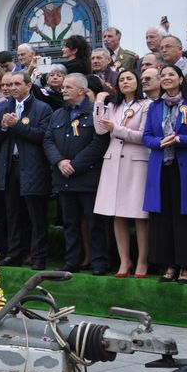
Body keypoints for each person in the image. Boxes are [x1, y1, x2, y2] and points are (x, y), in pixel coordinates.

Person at [142, 64, 187, 284]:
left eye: (172, 75)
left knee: (184, 218)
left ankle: (186, 266)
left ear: (181, 79)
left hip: (186, 168)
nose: (167, 78)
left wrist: (182, 140)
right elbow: (146, 136)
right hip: (161, 167)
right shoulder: (155, 107)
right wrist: (160, 142)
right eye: (163, 75)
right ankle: (168, 264)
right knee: (162, 218)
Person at [43, 73, 110, 274]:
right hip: (63, 177)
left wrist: (75, 164)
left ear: (82, 90)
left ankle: (99, 262)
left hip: (87, 176)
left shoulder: (96, 112)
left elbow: (99, 143)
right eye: (63, 87)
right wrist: (60, 161)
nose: (63, 90)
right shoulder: (58, 114)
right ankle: (72, 260)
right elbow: (48, 140)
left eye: (68, 87)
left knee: (94, 223)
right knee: (70, 223)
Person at [93, 69, 152, 278]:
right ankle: (124, 260)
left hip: (136, 162)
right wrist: (99, 103)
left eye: (130, 78)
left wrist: (116, 129)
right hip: (113, 161)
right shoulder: (114, 105)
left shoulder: (146, 105)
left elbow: (144, 135)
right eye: (122, 79)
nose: (126, 82)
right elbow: (100, 130)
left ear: (137, 82)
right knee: (117, 214)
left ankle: (142, 261)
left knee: (139, 215)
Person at [0, 71, 53, 269]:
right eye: (10, 85)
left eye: (17, 84)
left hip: (33, 167)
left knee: (36, 215)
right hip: (10, 166)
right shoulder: (3, 107)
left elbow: (42, 136)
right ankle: (15, 253)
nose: (12, 88)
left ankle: (38, 256)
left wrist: (17, 125)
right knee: (13, 213)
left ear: (28, 86)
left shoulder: (42, 108)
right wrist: (3, 128)